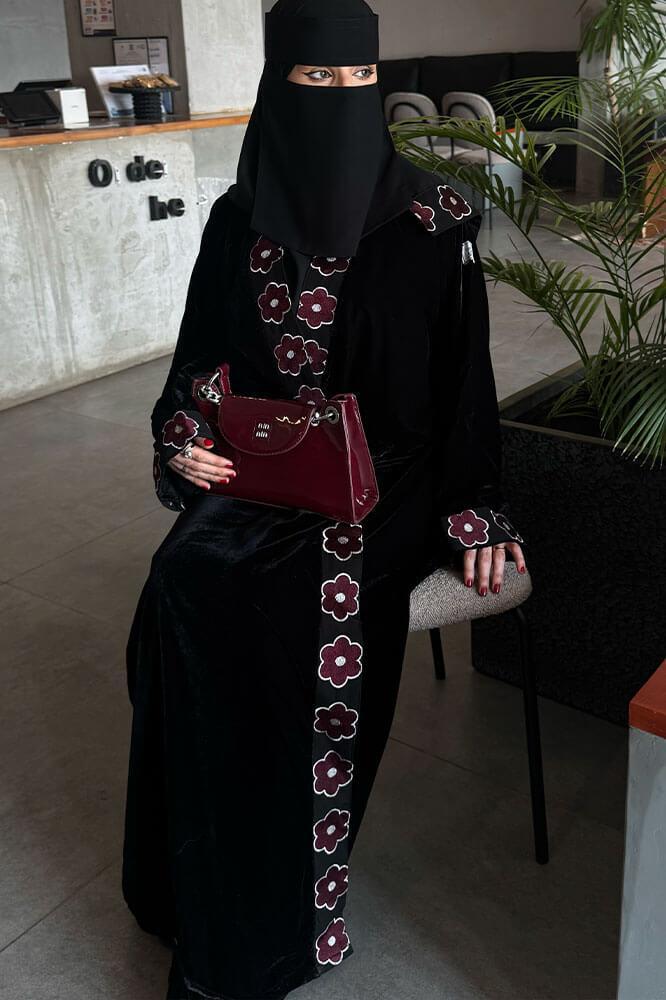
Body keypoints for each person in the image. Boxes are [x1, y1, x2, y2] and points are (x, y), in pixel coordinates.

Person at [121, 1, 528, 998]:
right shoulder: (238, 217)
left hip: (387, 478)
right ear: (279, 87)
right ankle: (185, 881)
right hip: (271, 465)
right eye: (317, 80)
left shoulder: (435, 221)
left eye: (359, 81)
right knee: (181, 580)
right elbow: (202, 359)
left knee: (291, 614)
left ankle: (274, 922)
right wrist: (186, 433)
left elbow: (464, 384)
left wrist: (475, 507)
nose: (342, 99)